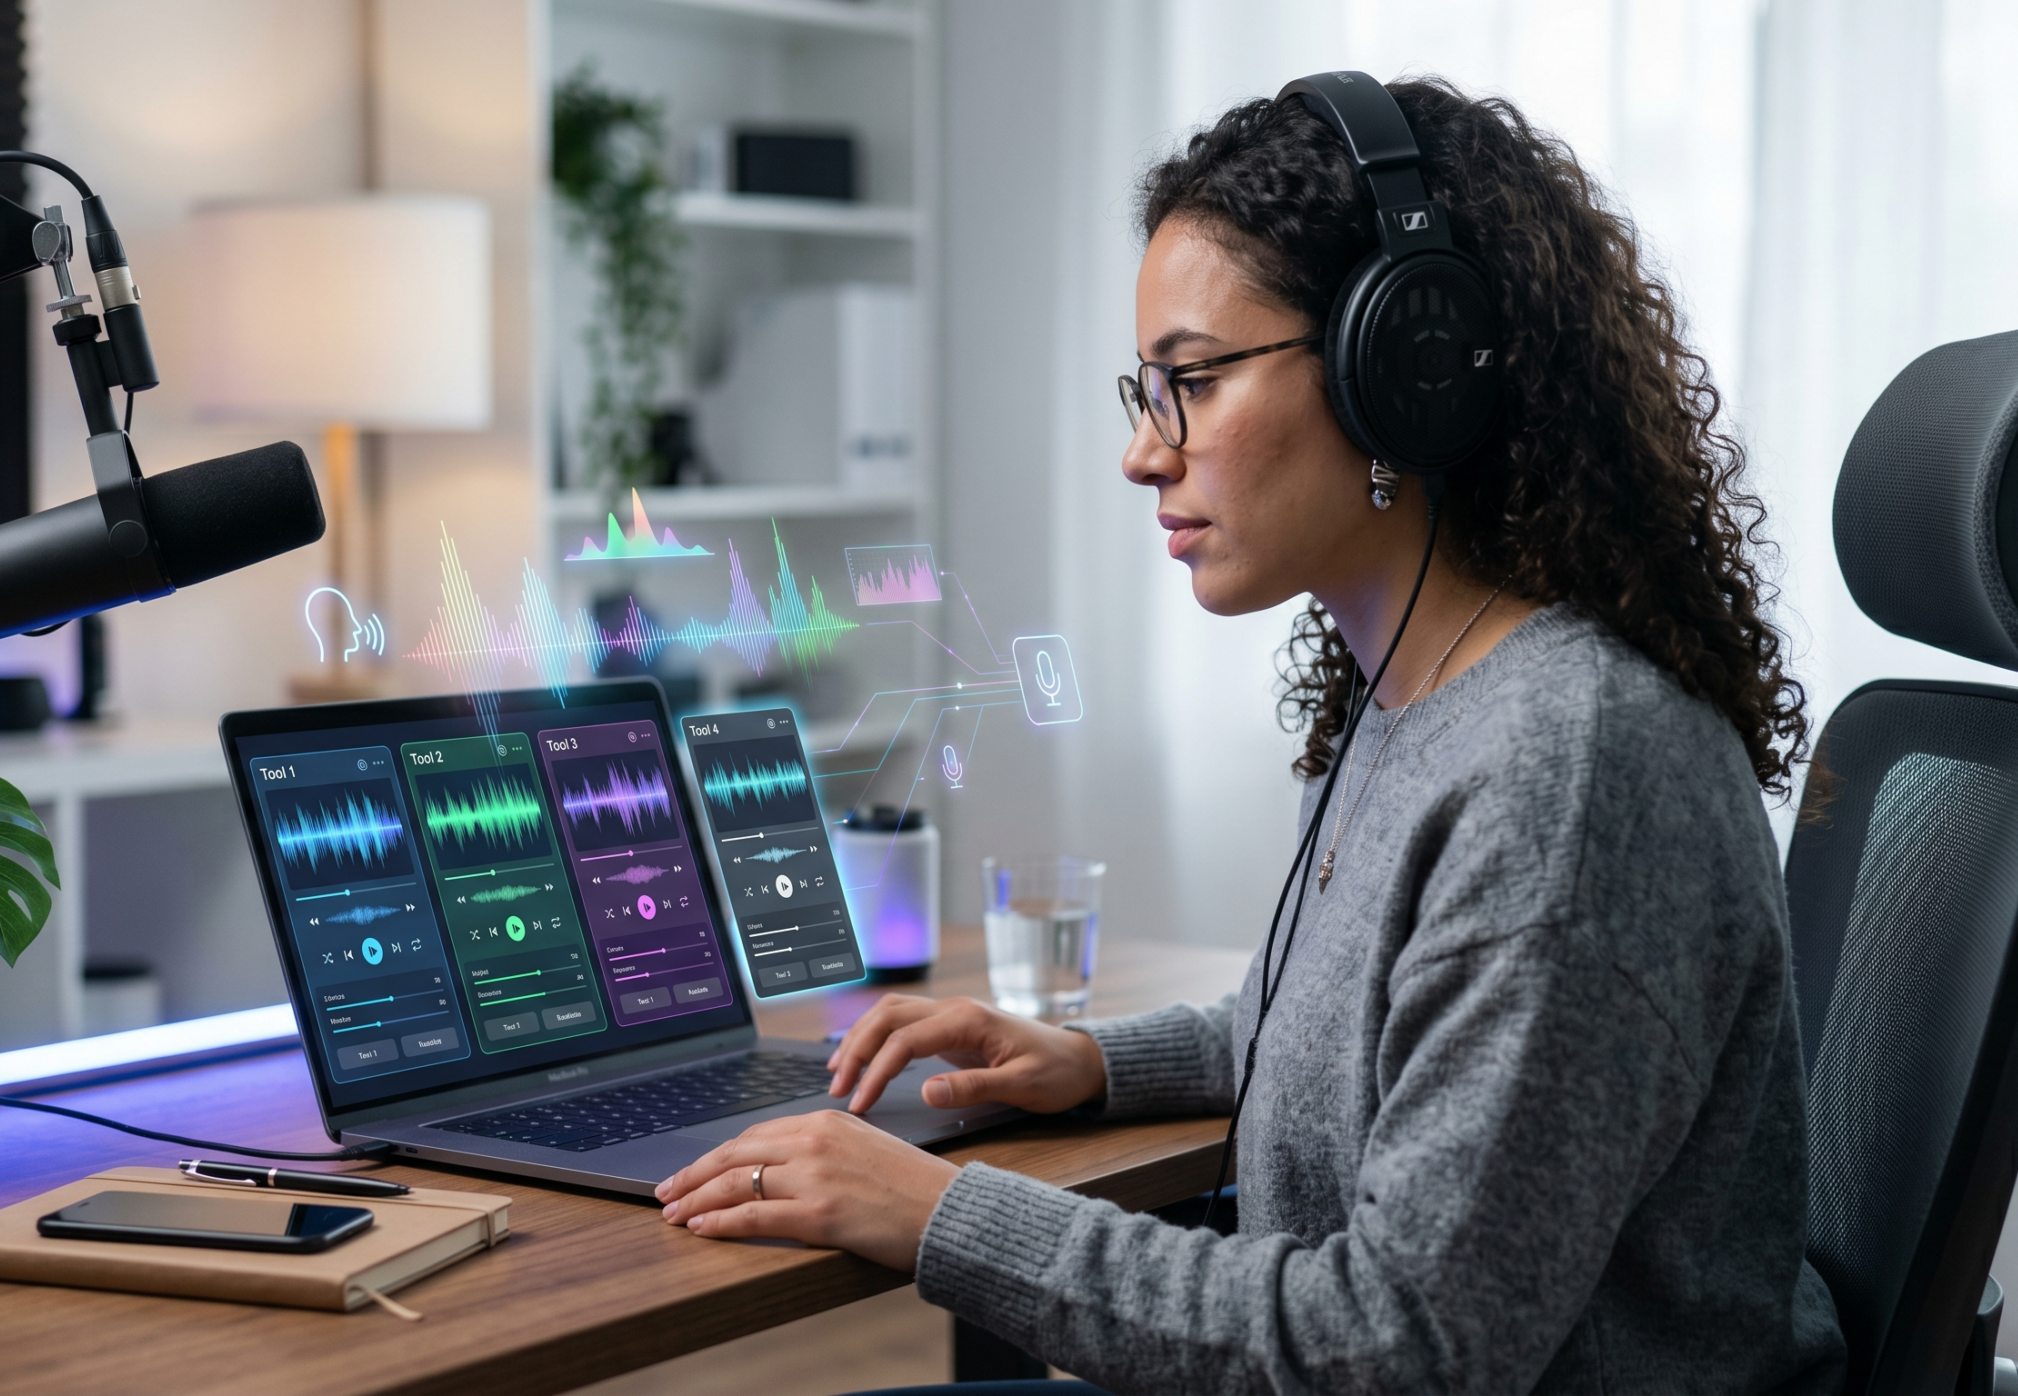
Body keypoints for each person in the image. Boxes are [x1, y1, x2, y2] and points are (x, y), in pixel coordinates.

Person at [654, 76, 1847, 1395]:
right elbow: (1359, 1037)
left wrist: (936, 1214)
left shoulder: (1565, 770)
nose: (1142, 454)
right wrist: (1090, 1063)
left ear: (1402, 371)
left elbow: (1400, 1348)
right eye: (1146, 388)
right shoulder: (1418, 696)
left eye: (1195, 381)